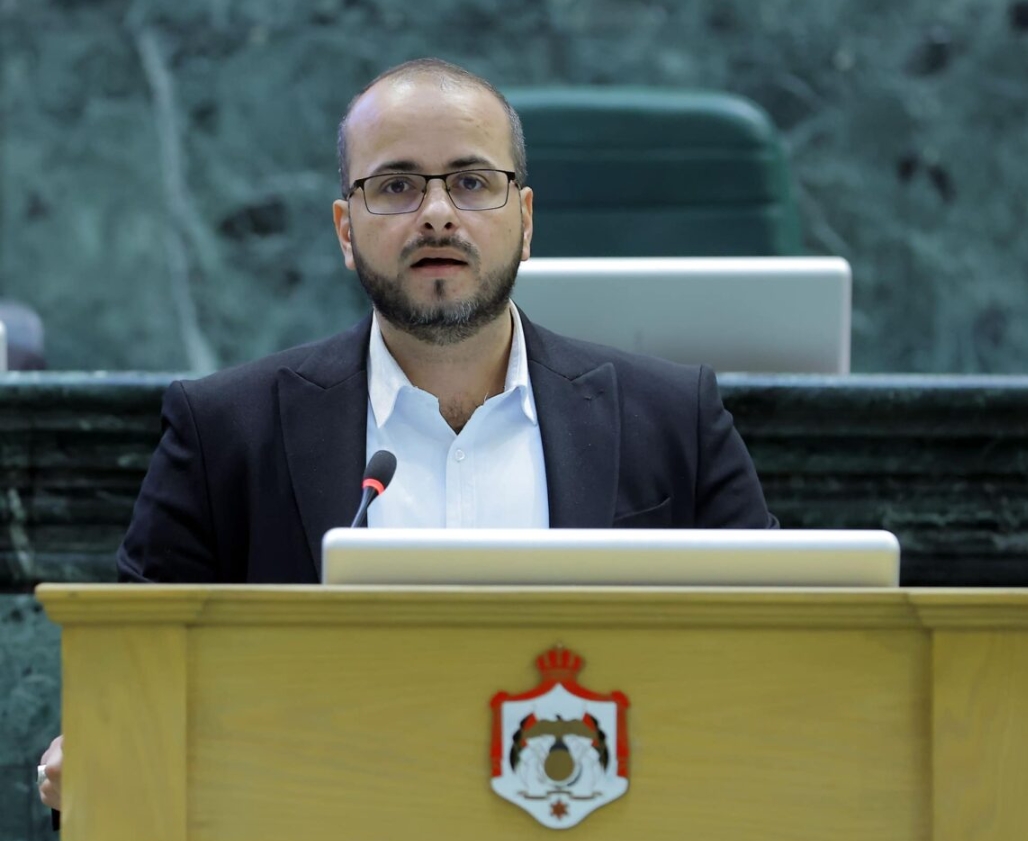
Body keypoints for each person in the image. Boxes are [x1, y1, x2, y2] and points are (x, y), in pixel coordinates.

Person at [39, 56, 775, 815]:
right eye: (395, 186)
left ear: (526, 221)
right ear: (345, 230)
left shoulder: (673, 419)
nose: (437, 214)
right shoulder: (226, 431)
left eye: (472, 181)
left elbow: (778, 661)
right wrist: (95, 751)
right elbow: (133, 685)